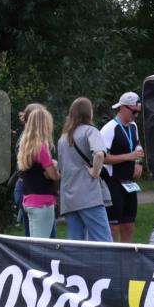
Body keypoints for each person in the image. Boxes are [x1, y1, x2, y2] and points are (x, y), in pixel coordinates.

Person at [56, 97, 112, 242]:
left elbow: (61, 169)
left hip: (69, 197)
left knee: (76, 243)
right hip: (89, 195)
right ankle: (108, 265)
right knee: (103, 240)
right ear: (89, 113)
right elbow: (99, 153)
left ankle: (75, 266)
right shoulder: (90, 131)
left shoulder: (63, 138)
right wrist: (95, 171)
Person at [100, 92, 145, 243]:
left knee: (129, 224)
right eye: (134, 112)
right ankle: (112, 260)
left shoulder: (133, 126)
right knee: (113, 227)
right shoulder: (109, 129)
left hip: (129, 183)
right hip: (113, 182)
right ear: (123, 108)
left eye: (138, 112)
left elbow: (137, 145)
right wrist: (129, 157)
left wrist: (138, 163)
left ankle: (127, 261)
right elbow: (102, 158)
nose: (136, 115)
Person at [16, 106, 60, 238]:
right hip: (43, 202)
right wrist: (55, 166)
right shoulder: (42, 148)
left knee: (34, 244)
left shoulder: (26, 146)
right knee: (41, 246)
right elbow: (53, 175)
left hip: (29, 200)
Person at [12, 103, 46, 237]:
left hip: (27, 189)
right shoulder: (29, 141)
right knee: (39, 237)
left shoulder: (28, 138)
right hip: (30, 190)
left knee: (34, 236)